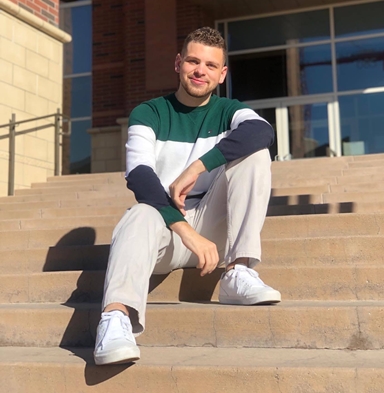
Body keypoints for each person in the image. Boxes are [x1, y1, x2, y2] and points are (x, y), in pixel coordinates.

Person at [93, 27, 281, 366]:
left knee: (255, 154)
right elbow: (139, 177)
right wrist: (185, 231)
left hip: (216, 228)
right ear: (178, 63)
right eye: (193, 61)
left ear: (222, 74)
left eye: (210, 65)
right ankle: (116, 318)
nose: (200, 71)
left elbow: (263, 131)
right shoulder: (149, 113)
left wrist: (197, 167)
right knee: (138, 214)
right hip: (167, 230)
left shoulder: (228, 110)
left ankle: (238, 271)